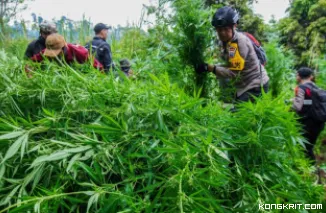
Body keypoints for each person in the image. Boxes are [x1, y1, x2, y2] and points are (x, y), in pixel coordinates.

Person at [196, 6, 269, 102]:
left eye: (226, 29)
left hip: (255, 86)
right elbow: (230, 64)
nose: (222, 33)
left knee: (238, 115)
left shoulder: (238, 43)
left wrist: (210, 68)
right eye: (219, 29)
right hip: (244, 86)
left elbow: (233, 73)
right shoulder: (225, 42)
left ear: (234, 26)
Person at [292, 67, 325, 163]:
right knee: (309, 147)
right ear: (311, 77)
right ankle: (311, 170)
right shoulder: (316, 88)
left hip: (306, 123)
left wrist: (288, 110)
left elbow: (297, 107)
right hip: (318, 122)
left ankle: (309, 170)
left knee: (303, 147)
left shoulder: (301, 88)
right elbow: (309, 101)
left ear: (298, 76)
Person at [31, 33, 103, 70]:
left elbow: (99, 68)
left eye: (56, 52)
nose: (53, 55)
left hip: (81, 70)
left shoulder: (80, 53)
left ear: (63, 47)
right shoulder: (46, 52)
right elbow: (31, 62)